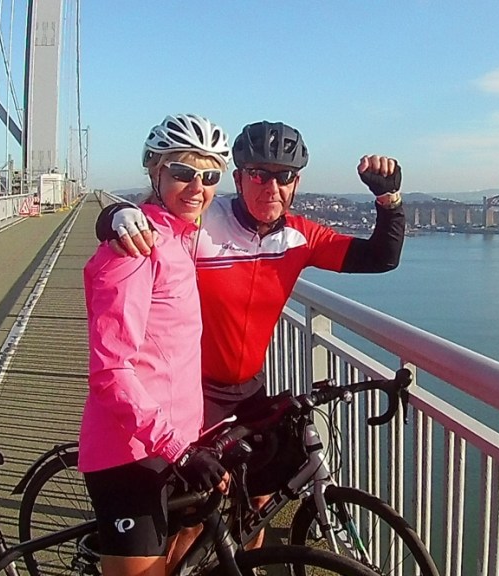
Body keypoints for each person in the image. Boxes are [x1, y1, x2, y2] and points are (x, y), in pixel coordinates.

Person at [95, 120, 405, 548]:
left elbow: (381, 257)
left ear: (296, 183)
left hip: (250, 390)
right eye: (259, 175)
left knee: (258, 503)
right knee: (193, 519)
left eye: (284, 176)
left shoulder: (301, 237)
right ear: (239, 178)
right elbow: (151, 221)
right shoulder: (203, 221)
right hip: (194, 393)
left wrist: (389, 200)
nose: (271, 188)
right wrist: (114, 217)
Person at [80, 113, 232, 576]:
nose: (197, 187)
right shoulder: (135, 249)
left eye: (210, 176)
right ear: (155, 170)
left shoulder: (182, 239)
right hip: (130, 453)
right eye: (183, 172)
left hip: (176, 442)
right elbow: (111, 373)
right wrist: (179, 448)